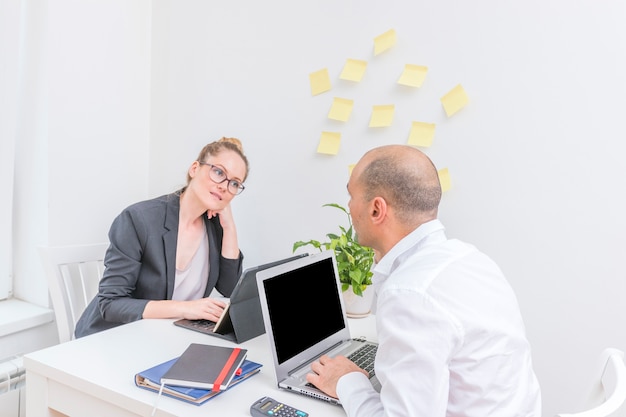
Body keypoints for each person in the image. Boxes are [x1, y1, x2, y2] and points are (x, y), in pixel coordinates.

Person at [306, 145, 542, 416]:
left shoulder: (409, 292)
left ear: (376, 209)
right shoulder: (471, 259)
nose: (349, 206)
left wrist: (346, 381)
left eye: (351, 195)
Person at [75, 137, 249, 338]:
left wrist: (229, 227)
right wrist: (186, 308)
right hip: (112, 337)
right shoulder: (139, 219)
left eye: (234, 183)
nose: (224, 186)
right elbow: (111, 304)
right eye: (218, 172)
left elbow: (230, 289)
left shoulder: (215, 228)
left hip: (164, 337)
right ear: (195, 169)